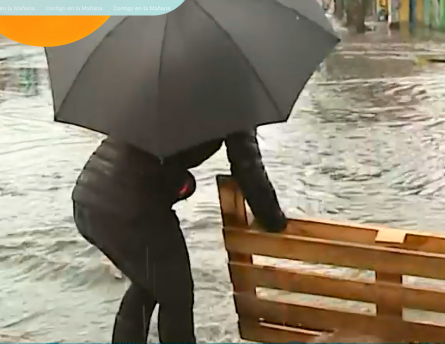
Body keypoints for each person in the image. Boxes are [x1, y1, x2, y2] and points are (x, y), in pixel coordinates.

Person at [72, 129, 287, 343]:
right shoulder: (236, 104)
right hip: (132, 209)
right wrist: (276, 222)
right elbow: (248, 167)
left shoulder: (172, 97)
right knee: (176, 296)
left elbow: (150, 155)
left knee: (149, 284)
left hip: (88, 198)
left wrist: (179, 181)